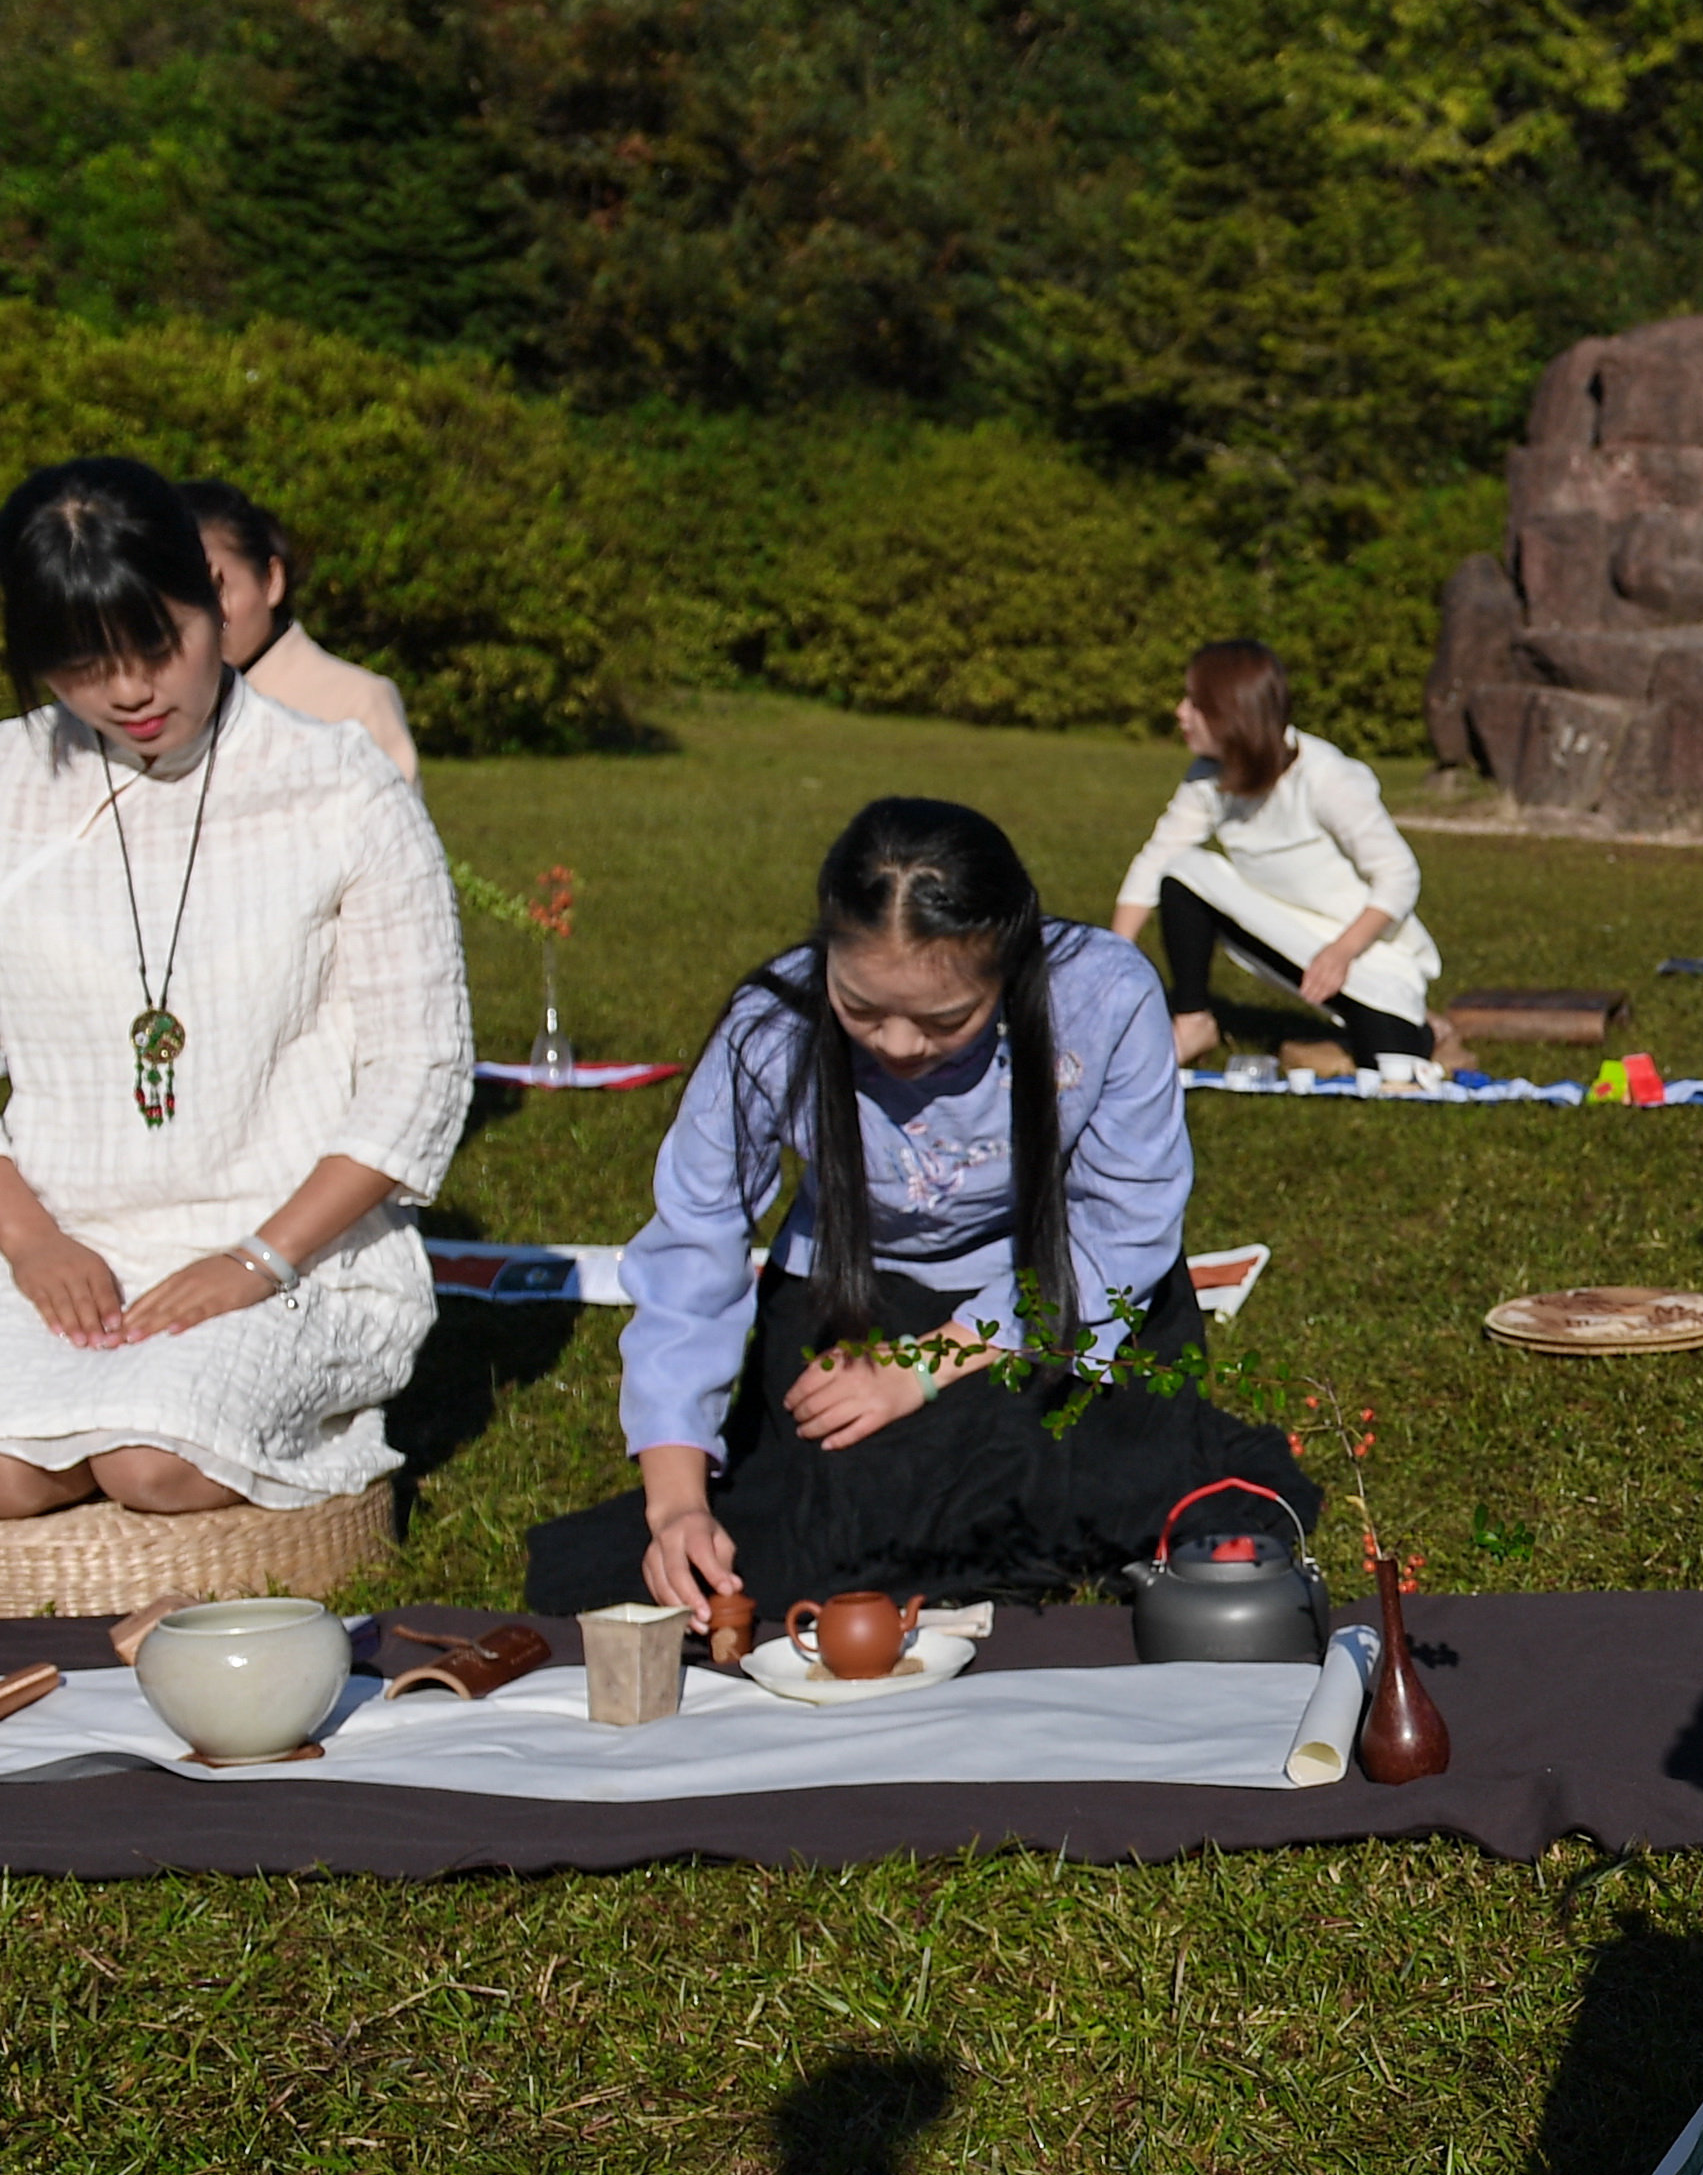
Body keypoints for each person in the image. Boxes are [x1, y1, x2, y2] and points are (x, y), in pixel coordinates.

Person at [530, 798, 1310, 1619]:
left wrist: (927, 1366)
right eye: (861, 1008)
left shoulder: (1103, 996)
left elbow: (1127, 1223)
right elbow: (696, 1246)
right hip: (859, 1295)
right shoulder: (771, 1030)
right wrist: (678, 1503)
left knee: (1075, 1457)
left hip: (1053, 1295)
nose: (898, 1046)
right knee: (848, 1509)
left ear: (1009, 968)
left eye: (945, 1020)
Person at [0, 460, 467, 1524]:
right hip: (60, 1228)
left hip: (286, 1236)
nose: (132, 693)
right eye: (82, 667)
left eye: (160, 646)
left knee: (153, 1462)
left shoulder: (336, 780)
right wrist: (32, 1242)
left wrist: (257, 1258)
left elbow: (419, 1069)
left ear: (212, 595)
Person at [1107, 641, 1442, 1066]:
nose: (1179, 712)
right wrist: (1113, 958)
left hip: (1367, 954)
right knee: (1181, 869)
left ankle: (1431, 1029)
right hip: (1283, 935)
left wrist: (1340, 953)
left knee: (1390, 1061)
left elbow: (1399, 876)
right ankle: (1193, 1022)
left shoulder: (1325, 776)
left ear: (1231, 711)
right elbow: (1154, 862)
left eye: (1195, 703)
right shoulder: (1207, 778)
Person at [180, 478, 420, 779]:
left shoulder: (356, 702)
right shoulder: (164, 708)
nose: (202, 615)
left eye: (215, 589)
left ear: (271, 580)